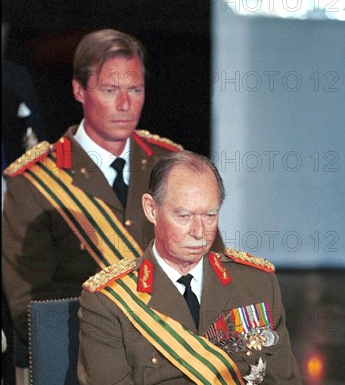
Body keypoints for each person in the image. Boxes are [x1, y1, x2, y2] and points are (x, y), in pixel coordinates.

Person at [77, 150, 338, 385]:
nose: (200, 232)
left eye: (210, 215)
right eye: (184, 215)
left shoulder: (256, 282)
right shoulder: (108, 298)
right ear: (151, 209)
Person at [2, 28, 224, 347]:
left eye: (135, 89)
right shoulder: (34, 182)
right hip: (83, 365)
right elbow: (33, 311)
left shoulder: (173, 164)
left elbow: (214, 269)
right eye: (110, 90)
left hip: (182, 357)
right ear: (79, 90)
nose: (124, 104)